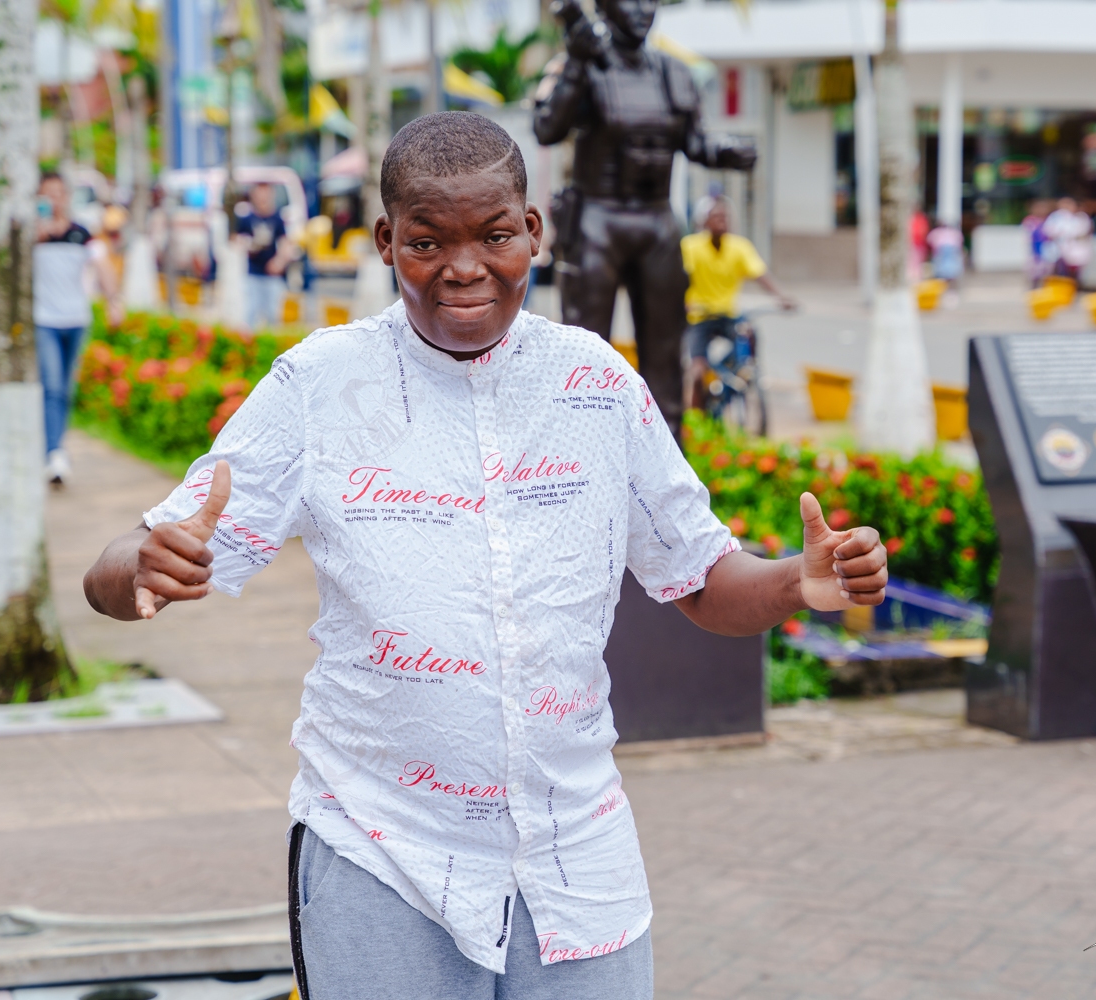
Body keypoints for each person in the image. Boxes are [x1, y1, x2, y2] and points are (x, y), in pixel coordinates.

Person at [81, 112, 889, 1000]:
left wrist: (793, 583)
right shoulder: (319, 385)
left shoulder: (597, 384)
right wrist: (139, 568)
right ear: (387, 240)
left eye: (494, 235)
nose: (465, 268)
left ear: (532, 232)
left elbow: (697, 580)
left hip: (576, 860)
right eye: (428, 242)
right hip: (381, 851)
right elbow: (125, 565)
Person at [533, 0, 758, 436]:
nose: (640, 10)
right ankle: (581, 457)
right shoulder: (587, 63)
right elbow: (548, 128)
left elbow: (695, 143)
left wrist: (727, 151)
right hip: (599, 218)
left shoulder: (672, 72)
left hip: (656, 221)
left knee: (664, 354)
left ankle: (666, 466)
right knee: (586, 351)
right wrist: (577, 61)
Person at [34, 173, 120, 485]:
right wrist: (37, 233)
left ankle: (53, 446)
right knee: (52, 386)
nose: (54, 199)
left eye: (59, 193)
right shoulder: (32, 235)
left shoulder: (81, 233)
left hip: (76, 320)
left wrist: (114, 302)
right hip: (43, 320)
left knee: (65, 389)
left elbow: (103, 266)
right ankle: (54, 453)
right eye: (48, 194)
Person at [679, 196, 795, 408]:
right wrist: (680, 301)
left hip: (728, 313)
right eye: (716, 216)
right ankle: (696, 418)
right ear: (703, 222)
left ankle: (733, 374)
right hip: (700, 316)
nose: (722, 221)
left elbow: (761, 274)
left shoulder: (740, 247)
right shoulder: (691, 247)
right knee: (697, 370)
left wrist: (781, 296)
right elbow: (679, 278)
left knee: (748, 335)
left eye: (725, 217)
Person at [235, 182, 292, 329]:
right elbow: (238, 239)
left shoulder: (277, 218)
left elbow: (285, 243)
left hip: (272, 275)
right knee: (251, 313)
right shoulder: (247, 219)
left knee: (274, 315)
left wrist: (279, 262)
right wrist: (249, 245)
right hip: (253, 272)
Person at [1043, 196, 1092, 282]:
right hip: (1058, 249)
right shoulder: (1056, 217)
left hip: (1074, 249)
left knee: (1074, 272)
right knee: (1057, 270)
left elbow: (1083, 232)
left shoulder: (1080, 217)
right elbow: (1049, 231)